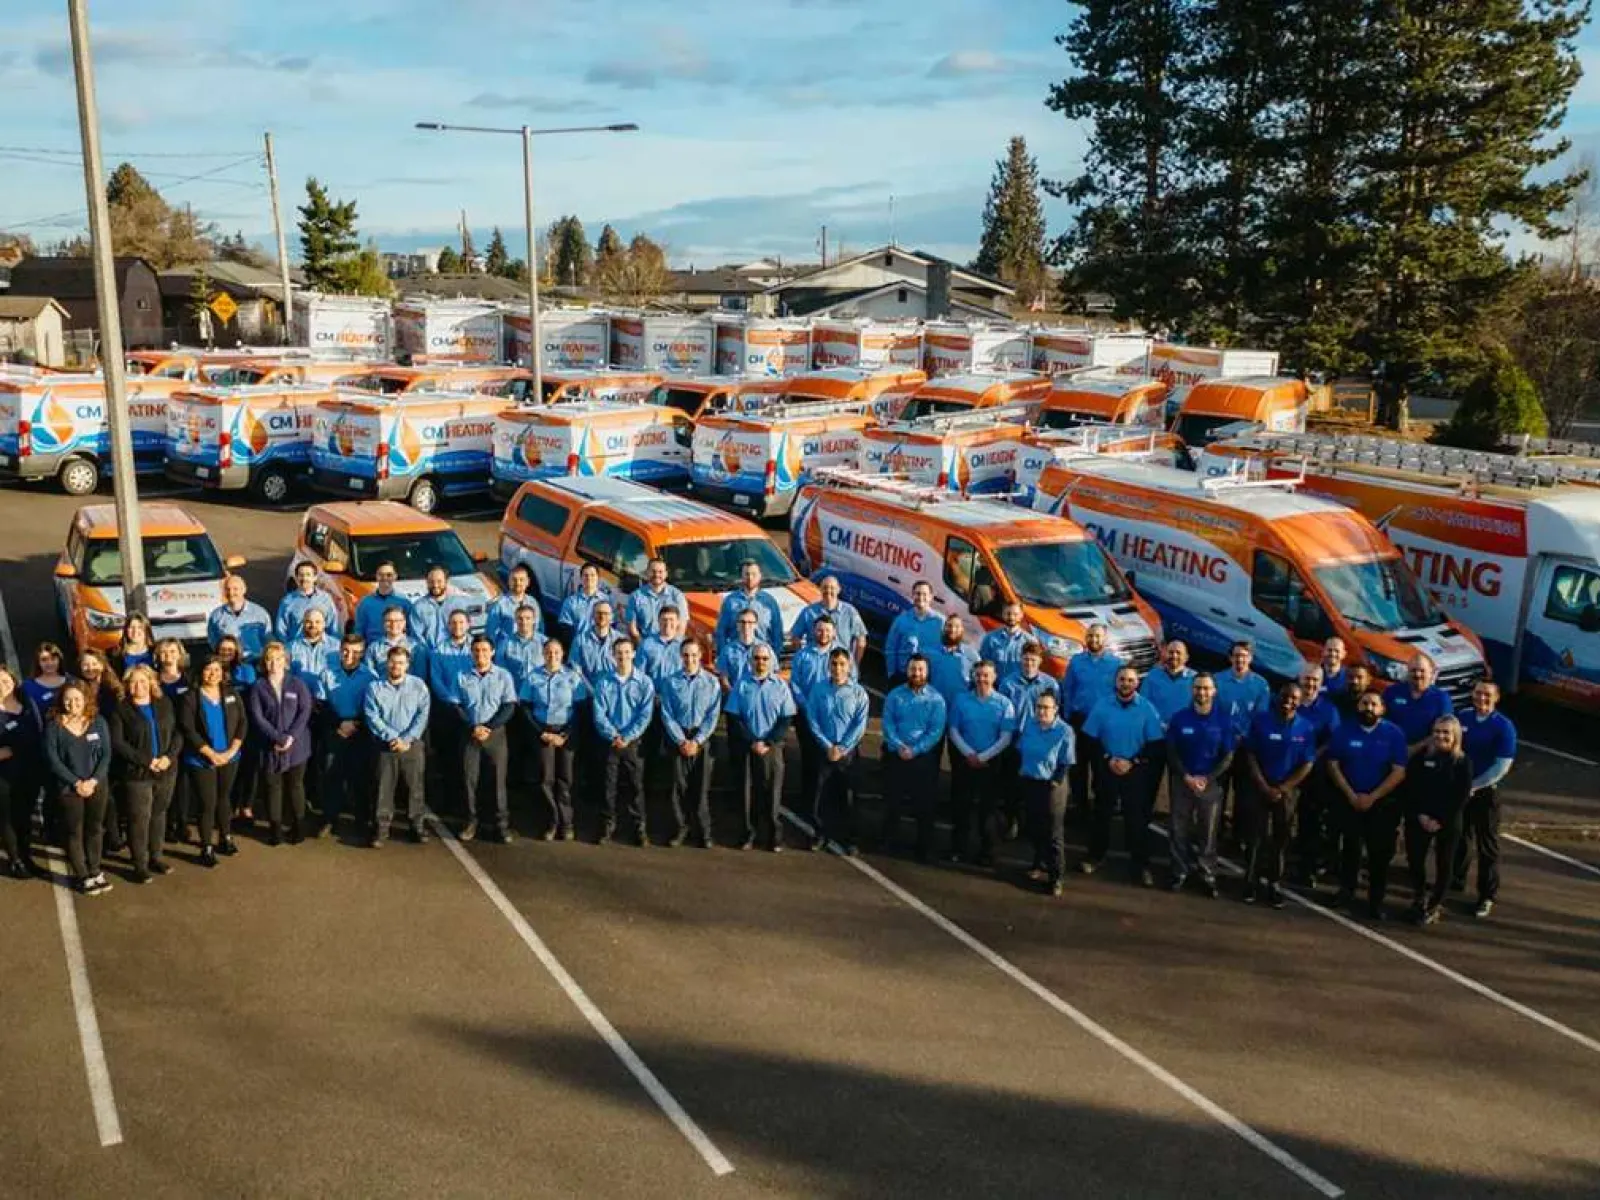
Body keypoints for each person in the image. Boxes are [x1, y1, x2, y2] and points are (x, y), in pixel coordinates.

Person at [1325, 689, 1409, 919]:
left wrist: (1373, 797)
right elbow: (1333, 764)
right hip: (1350, 800)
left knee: (1378, 855)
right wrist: (1351, 795)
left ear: (1382, 709)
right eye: (1365, 703)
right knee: (1350, 849)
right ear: (1357, 706)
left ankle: (1375, 901)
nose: (1368, 708)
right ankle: (1346, 891)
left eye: (1374, 704)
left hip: (1381, 804)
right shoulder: (1344, 730)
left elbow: (1399, 771)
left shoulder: (1394, 734)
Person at [1081, 666, 1165, 884]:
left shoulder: (1147, 709)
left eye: (1130, 680)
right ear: (1115, 682)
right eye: (1121, 679)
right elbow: (1090, 739)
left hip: (1134, 771)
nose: (1125, 683)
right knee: (1101, 815)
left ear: (1137, 683)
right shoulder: (1102, 705)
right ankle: (1095, 856)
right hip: (1107, 768)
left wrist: (1132, 762)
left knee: (1136, 819)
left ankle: (1140, 865)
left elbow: (1155, 744)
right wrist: (1108, 759)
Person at [1241, 682, 1317, 908]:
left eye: (1294, 698)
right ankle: (1250, 881)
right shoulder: (1261, 721)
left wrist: (1283, 789)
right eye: (1285, 696)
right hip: (1259, 786)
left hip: (1287, 791)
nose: (1288, 701)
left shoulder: (1306, 727)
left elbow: (1307, 763)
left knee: (1281, 839)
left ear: (1300, 700)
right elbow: (1251, 754)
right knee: (1256, 836)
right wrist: (1263, 785)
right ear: (1278, 696)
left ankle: (1274, 883)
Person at [1166, 673, 1234, 897]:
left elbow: (1228, 755)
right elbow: (1172, 751)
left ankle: (1207, 874)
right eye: (1197, 688)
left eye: (1206, 688)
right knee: (1178, 828)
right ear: (1191, 690)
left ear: (1214, 691)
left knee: (1208, 830)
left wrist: (1209, 778)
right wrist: (1186, 776)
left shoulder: (1223, 720)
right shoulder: (1179, 718)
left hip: (1210, 784)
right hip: (1182, 781)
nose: (1201, 692)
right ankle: (1179, 871)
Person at [1453, 681, 1517, 919]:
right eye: (1478, 693)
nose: (1482, 698)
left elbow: (1502, 766)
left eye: (1487, 695)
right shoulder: (1463, 717)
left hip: (1486, 793)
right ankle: (1456, 879)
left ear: (1497, 698)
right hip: (1462, 791)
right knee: (1460, 836)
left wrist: (1474, 786)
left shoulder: (1504, 727)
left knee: (1486, 845)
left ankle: (1486, 895)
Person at [43, 681, 114, 895]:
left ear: (85, 700)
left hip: (96, 786)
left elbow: (106, 754)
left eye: (77, 699)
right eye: (68, 699)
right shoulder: (54, 726)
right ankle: (82, 876)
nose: (72, 703)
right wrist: (76, 782)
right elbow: (53, 760)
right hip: (69, 789)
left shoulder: (98, 722)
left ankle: (95, 870)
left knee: (94, 829)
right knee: (74, 831)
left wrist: (93, 781)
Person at [110, 665, 179, 883]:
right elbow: (118, 743)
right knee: (139, 819)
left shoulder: (164, 703)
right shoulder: (121, 709)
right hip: (137, 774)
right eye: (133, 682)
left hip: (166, 770)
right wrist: (148, 761)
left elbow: (177, 733)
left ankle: (156, 857)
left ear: (151, 682)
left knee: (159, 815)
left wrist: (169, 757)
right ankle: (139, 864)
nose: (138, 686)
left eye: (142, 681)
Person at [1404, 715, 1474, 926]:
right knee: (1415, 858)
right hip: (1420, 817)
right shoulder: (1420, 758)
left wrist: (1440, 819)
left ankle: (1435, 904)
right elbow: (1411, 788)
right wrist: (1421, 815)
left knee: (1445, 863)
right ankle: (1419, 896)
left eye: (1446, 732)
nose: (1440, 736)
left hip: (1447, 821)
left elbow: (1461, 795)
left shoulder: (1463, 762)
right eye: (1437, 731)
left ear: (1455, 737)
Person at [725, 642, 795, 852]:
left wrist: (768, 742)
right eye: (757, 658)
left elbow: (786, 718)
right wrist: (752, 741)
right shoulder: (742, 685)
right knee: (746, 794)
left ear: (771, 661)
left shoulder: (780, 686)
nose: (761, 662)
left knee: (772, 794)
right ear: (751, 661)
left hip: (771, 748)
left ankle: (774, 836)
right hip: (748, 747)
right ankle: (748, 834)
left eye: (765, 659)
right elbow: (734, 717)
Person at [878, 655, 947, 861]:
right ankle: (888, 841)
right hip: (896, 755)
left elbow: (935, 731)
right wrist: (900, 747)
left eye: (920, 670)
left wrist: (914, 750)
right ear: (907, 671)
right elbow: (888, 724)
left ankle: (923, 847)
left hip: (922, 758)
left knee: (924, 805)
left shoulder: (936, 700)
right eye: (913, 669)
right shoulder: (894, 696)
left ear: (927, 673)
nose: (916, 674)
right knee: (893, 801)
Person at [179, 656, 247, 867]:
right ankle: (206, 846)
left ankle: (226, 838)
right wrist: (210, 753)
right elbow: (187, 728)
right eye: (208, 670)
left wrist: (232, 749)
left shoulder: (231, 693)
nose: (212, 674)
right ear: (200, 672)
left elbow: (243, 722)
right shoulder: (191, 697)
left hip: (230, 756)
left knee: (224, 799)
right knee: (207, 803)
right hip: (202, 759)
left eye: (217, 670)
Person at [946, 660, 1014, 866]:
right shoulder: (961, 700)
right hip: (965, 762)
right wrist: (969, 754)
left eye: (986, 675)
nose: (982, 679)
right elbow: (954, 730)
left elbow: (1006, 737)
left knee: (987, 812)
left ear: (994, 677)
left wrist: (983, 757)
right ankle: (958, 848)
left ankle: (988, 851)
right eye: (978, 675)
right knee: (961, 808)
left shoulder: (1004, 704)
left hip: (990, 764)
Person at [247, 642, 314, 845]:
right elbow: (257, 717)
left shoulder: (297, 684)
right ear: (264, 663)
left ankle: (298, 825)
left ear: (286, 662)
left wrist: (290, 737)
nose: (274, 663)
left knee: (295, 786)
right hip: (269, 746)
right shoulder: (258, 687)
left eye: (278, 659)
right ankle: (275, 828)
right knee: (272, 787)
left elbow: (305, 712)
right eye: (269, 659)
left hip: (297, 746)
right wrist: (277, 737)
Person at [364, 646, 431, 846]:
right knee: (383, 787)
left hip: (412, 744)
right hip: (385, 745)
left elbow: (422, 714)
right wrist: (392, 737)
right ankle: (381, 829)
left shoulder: (419, 686)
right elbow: (372, 716)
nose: (396, 666)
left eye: (401, 662)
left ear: (408, 665)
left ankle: (417, 826)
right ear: (387, 663)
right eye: (393, 661)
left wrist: (407, 739)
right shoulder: (374, 687)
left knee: (415, 787)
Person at [521, 638, 587, 840]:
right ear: (543, 654)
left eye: (556, 652)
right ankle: (552, 820)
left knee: (565, 779)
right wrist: (541, 732)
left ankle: (567, 823)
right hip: (543, 731)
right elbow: (525, 707)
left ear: (563, 654)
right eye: (548, 652)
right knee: (545, 779)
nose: (552, 656)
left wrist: (565, 734)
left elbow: (580, 709)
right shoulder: (533, 677)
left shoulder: (572, 677)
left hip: (566, 732)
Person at [804, 648, 869, 853]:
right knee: (821, 796)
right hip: (824, 750)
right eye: (834, 663)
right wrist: (827, 745)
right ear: (828, 665)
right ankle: (821, 834)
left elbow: (860, 725)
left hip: (847, 753)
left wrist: (843, 747)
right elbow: (812, 719)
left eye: (842, 664)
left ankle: (850, 839)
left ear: (849, 666)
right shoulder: (818, 690)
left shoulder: (859, 693)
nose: (838, 668)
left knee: (848, 797)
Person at [592, 639, 655, 846]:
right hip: (610, 742)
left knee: (636, 786)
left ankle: (639, 828)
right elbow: (599, 713)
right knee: (608, 787)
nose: (623, 656)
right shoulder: (603, 682)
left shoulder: (645, 682)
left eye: (627, 652)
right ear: (612, 655)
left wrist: (627, 736)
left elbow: (645, 715)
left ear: (634, 654)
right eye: (619, 653)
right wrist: (613, 735)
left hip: (633, 742)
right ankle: (607, 825)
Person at [659, 639, 721, 848]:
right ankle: (680, 828)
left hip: (701, 738)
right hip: (678, 737)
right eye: (686, 655)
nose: (690, 659)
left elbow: (712, 716)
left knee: (701, 788)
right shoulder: (670, 682)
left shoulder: (712, 682)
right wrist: (681, 740)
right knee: (678, 787)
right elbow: (667, 713)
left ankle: (704, 832)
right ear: (680, 657)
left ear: (700, 656)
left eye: (694, 655)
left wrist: (697, 740)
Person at [456, 636, 518, 844]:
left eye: (484, 650)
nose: (480, 654)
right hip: (469, 733)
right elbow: (457, 706)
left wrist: (489, 727)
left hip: (496, 734)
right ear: (471, 653)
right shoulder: (462, 676)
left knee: (497, 780)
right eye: (476, 650)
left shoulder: (503, 676)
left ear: (492, 652)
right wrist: (473, 727)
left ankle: (501, 825)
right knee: (469, 780)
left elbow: (509, 706)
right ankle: (471, 821)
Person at [998, 641, 1058, 839]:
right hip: (1014, 743)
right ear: (1020, 659)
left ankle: (1032, 826)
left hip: (1039, 745)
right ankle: (1011, 821)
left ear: (1040, 661)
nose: (1029, 663)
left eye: (1033, 660)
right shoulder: (1008, 683)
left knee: (1035, 788)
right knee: (1011, 786)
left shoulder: (1050, 685)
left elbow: (1056, 716)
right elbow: (1001, 714)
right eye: (1025, 659)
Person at [789, 614, 848, 813]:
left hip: (832, 717)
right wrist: (807, 706)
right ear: (814, 632)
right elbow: (795, 683)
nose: (823, 633)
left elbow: (851, 681)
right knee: (809, 758)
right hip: (806, 715)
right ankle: (807, 800)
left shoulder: (841, 656)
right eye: (820, 630)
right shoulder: (802, 655)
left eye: (828, 630)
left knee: (832, 759)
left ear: (834, 633)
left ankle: (831, 801)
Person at [1017, 691, 1074, 896]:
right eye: (1039, 707)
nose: (1041, 711)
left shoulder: (1064, 731)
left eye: (1046, 707)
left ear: (1056, 709)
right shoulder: (1030, 726)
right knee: (1033, 826)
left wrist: (1055, 782)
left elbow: (1065, 762)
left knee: (1053, 833)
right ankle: (1038, 862)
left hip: (1052, 787)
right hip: (1030, 781)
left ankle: (1056, 876)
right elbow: (1021, 749)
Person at [1061, 623, 1120, 818]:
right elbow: (1068, 689)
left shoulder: (1116, 664)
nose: (1094, 640)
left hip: (1103, 724)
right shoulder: (1076, 662)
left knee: (1101, 767)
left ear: (1105, 639)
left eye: (1097, 636)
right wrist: (1068, 716)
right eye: (1090, 636)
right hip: (1079, 721)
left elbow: (1120, 693)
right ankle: (1080, 807)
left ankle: (1101, 808)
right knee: (1078, 767)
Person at [319, 633, 374, 839]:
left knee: (359, 777)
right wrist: (339, 724)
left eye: (356, 652)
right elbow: (321, 705)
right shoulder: (327, 674)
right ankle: (329, 819)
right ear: (340, 650)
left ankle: (362, 819)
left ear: (362, 654)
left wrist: (355, 724)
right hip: (336, 730)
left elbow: (372, 706)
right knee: (332, 775)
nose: (350, 656)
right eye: (346, 651)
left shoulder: (370, 676)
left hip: (359, 731)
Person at [1292, 664, 1342, 883]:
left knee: (1310, 822)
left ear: (1321, 684)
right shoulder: (1288, 703)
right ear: (1299, 680)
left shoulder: (1329, 710)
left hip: (1315, 775)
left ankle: (1307, 868)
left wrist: (1311, 755)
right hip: (1286, 771)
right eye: (1306, 679)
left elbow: (1333, 739)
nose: (1310, 684)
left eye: (1315, 680)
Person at [428, 610, 477, 809]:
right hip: (447, 709)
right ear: (448, 626)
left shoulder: (477, 647)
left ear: (468, 624)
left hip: (472, 710)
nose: (457, 626)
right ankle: (450, 800)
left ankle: (471, 801)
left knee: (470, 758)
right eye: (453, 623)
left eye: (461, 622)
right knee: (448, 756)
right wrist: (452, 699)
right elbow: (436, 679)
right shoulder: (438, 650)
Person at [0, 665, 42, 878]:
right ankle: (15, 860)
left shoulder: (26, 703)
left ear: (14, 682)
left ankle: (26, 856)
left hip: (30, 772)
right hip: (5, 776)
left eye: (6, 681)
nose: (3, 686)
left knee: (25, 817)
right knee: (8, 819)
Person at [1381, 654, 1452, 760]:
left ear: (1431, 673)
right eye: (1413, 670)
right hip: (1392, 751)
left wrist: (1414, 749)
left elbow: (1445, 730)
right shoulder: (1392, 692)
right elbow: (1381, 722)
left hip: (1426, 755)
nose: (1417, 674)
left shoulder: (1441, 698)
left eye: (1422, 671)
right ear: (1408, 671)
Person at [793, 575, 867, 663]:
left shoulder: (850, 611)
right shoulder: (809, 612)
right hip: (816, 664)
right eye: (825, 587)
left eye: (832, 588)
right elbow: (795, 636)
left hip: (841, 666)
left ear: (838, 590)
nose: (828, 591)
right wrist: (801, 658)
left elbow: (861, 640)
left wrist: (855, 663)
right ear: (820, 589)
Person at [715, 559, 784, 653]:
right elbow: (721, 632)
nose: (750, 578)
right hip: (736, 656)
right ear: (741, 576)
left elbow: (777, 633)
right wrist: (724, 654)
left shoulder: (769, 602)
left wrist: (775, 656)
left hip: (762, 657)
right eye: (746, 574)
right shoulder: (730, 602)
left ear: (760, 576)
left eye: (754, 574)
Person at [884, 582, 943, 684]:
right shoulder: (901, 620)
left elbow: (946, 650)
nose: (921, 597)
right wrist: (892, 673)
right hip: (903, 676)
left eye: (924, 594)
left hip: (929, 679)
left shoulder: (940, 622)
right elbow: (891, 648)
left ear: (931, 597)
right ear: (912, 595)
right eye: (917, 593)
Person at [207, 574, 272, 663]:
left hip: (254, 662)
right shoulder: (216, 616)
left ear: (244, 590)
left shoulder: (260, 614)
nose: (231, 593)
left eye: (235, 589)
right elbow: (213, 641)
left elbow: (268, 640)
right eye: (227, 589)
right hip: (228, 662)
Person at [626, 557, 687, 643]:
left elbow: (681, 627)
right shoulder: (635, 596)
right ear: (647, 573)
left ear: (666, 574)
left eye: (660, 572)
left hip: (670, 646)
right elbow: (632, 628)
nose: (657, 575)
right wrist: (645, 647)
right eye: (653, 571)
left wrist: (670, 647)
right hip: (644, 646)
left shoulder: (677, 596)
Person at [926, 615, 978, 714]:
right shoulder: (929, 653)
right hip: (933, 708)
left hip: (960, 710)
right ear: (944, 628)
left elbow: (977, 683)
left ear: (962, 630)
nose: (953, 629)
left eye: (957, 626)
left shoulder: (972, 655)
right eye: (949, 625)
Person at [276, 562, 339, 643]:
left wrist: (333, 646)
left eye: (308, 574)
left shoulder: (325, 599)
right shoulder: (287, 601)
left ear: (315, 577)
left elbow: (333, 626)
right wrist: (287, 648)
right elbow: (280, 629)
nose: (304, 578)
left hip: (321, 648)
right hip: (297, 649)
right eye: (301, 575)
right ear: (296, 578)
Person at [1139, 640, 1196, 729]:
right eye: (1171, 652)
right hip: (1157, 730)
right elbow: (1143, 704)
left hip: (1185, 731)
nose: (1174, 655)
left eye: (1178, 652)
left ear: (1186, 657)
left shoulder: (1195, 679)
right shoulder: (1153, 675)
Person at [410, 565, 468, 648]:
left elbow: (465, 631)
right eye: (431, 581)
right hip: (429, 654)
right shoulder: (419, 606)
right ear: (427, 582)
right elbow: (416, 636)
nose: (435, 585)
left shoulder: (458, 604)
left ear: (446, 581)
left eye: (439, 581)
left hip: (454, 653)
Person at [354, 562, 413, 643]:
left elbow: (410, 630)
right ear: (376, 576)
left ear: (395, 576)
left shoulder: (404, 602)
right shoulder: (365, 603)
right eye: (381, 575)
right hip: (373, 651)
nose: (384, 578)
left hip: (398, 650)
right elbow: (359, 631)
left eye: (389, 575)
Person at [364, 606, 429, 678]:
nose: (393, 624)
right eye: (389, 620)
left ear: (404, 623)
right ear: (383, 623)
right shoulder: (373, 648)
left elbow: (421, 675)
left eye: (398, 620)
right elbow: (370, 674)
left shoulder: (416, 647)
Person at [486, 563, 543, 644]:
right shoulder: (499, 604)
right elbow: (491, 632)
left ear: (528, 582)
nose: (518, 583)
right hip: (507, 650)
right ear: (509, 581)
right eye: (514, 579)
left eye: (521, 579)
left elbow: (539, 628)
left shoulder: (533, 603)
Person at [569, 600, 623, 684]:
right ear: (592, 616)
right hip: (587, 690)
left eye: (606, 613)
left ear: (611, 617)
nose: (602, 616)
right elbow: (575, 670)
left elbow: (625, 671)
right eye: (598, 613)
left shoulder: (621, 641)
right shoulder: (580, 640)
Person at [716, 608, 769, 692]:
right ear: (737, 625)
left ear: (756, 625)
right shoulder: (727, 651)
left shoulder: (766, 649)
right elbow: (723, 678)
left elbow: (773, 675)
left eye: (750, 622)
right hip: (734, 696)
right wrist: (735, 696)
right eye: (742, 622)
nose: (746, 626)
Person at [557, 563, 612, 643]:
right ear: (581, 578)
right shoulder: (570, 602)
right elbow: (565, 629)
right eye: (585, 575)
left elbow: (611, 626)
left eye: (592, 575)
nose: (589, 578)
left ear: (598, 578)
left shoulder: (607, 601)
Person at [978, 601, 1029, 680]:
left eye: (1015, 614)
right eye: (1008, 614)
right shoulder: (990, 639)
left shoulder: (1029, 641)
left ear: (1021, 615)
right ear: (1003, 615)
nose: (1011, 617)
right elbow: (983, 665)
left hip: (1019, 689)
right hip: (995, 687)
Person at [637, 607, 685, 690]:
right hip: (653, 695)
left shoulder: (685, 645)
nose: (667, 623)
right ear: (658, 621)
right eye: (664, 619)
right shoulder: (646, 644)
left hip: (677, 696)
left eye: (671, 619)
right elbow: (639, 673)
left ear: (678, 622)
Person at [24, 642, 70, 715]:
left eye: (53, 658)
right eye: (44, 660)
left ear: (59, 660)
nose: (49, 663)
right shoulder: (28, 687)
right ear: (38, 662)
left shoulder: (72, 681)